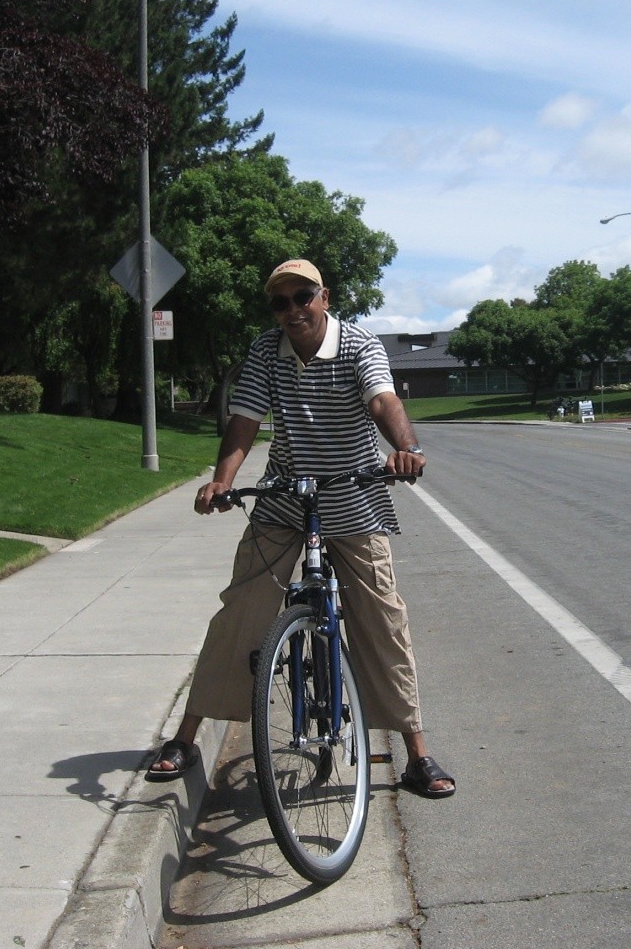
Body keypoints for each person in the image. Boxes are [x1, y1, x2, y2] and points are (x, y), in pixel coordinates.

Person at [147, 258, 456, 798]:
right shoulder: (266, 351)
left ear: (324, 298)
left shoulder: (359, 345)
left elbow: (382, 398)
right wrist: (222, 482)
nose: (292, 310)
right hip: (286, 499)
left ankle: (416, 754)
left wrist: (407, 449)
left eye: (302, 297)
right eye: (280, 302)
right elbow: (245, 419)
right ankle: (186, 737)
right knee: (240, 612)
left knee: (383, 621)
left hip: (354, 499)